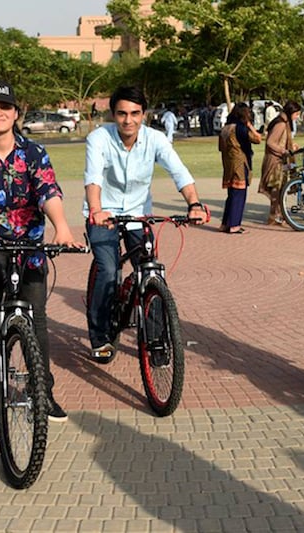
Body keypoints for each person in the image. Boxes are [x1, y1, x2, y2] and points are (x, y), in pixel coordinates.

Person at [0, 79, 82, 422]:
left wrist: (62, 228)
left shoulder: (34, 153)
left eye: (5, 107)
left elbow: (48, 191)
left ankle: (43, 392)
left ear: (15, 113)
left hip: (27, 243)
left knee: (36, 316)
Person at [84, 86, 209, 360]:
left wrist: (194, 204)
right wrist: (96, 210)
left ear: (144, 114)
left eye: (135, 113)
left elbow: (179, 172)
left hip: (138, 215)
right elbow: (93, 177)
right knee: (107, 269)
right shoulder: (99, 138)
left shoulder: (156, 139)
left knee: (150, 272)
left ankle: (156, 341)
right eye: (121, 114)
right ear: (113, 114)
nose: (128, 120)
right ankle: (100, 335)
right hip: (104, 214)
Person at [218, 103, 262, 234]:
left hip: (228, 164)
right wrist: (250, 126)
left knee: (231, 195)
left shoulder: (225, 129)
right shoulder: (240, 128)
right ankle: (234, 225)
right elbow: (258, 139)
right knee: (239, 195)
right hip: (240, 164)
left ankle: (225, 223)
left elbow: (220, 148)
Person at [258, 100, 301, 225]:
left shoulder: (284, 122)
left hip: (280, 159)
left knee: (280, 188)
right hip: (275, 160)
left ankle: (277, 215)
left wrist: (291, 146)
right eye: (297, 114)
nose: (297, 117)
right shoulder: (281, 124)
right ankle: (274, 216)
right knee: (276, 188)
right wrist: (283, 151)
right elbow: (271, 142)